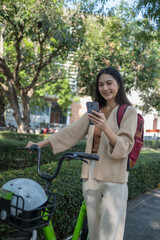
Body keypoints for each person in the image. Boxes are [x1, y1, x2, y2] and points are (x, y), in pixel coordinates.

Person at [26, 67, 137, 240]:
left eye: (109, 83)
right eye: (101, 85)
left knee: (111, 232)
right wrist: (39, 144)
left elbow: (125, 145)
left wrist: (105, 127)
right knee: (93, 230)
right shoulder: (95, 110)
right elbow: (71, 131)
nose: (105, 88)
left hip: (114, 176)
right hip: (90, 173)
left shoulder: (128, 111)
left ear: (119, 85)